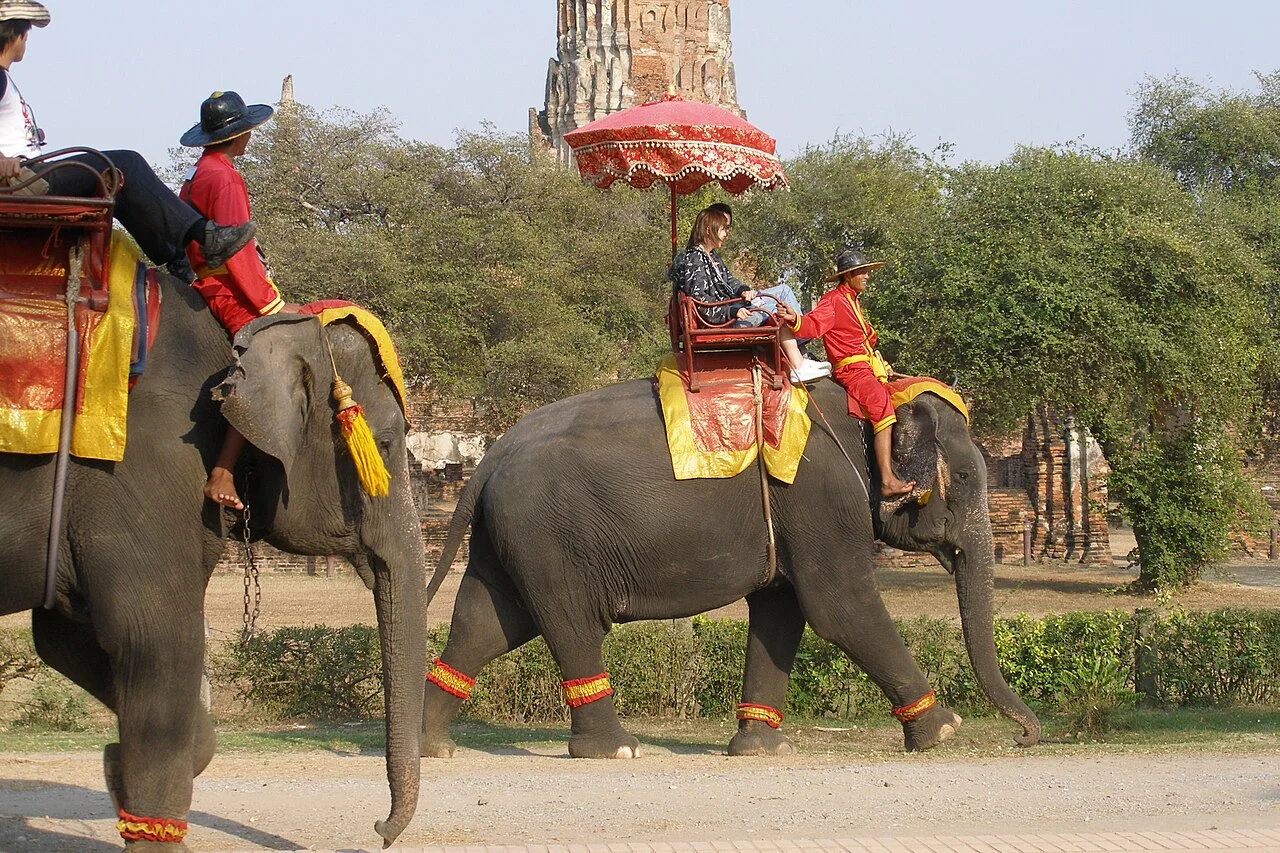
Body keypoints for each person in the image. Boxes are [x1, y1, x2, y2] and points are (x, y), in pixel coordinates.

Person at [0, 1, 254, 273]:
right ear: (16, 35)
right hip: (24, 182)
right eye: (26, 33)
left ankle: (178, 262)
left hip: (29, 177)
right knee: (126, 164)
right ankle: (206, 237)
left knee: (114, 183)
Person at [178, 89, 304, 510]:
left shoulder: (198, 174)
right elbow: (235, 249)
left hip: (200, 282)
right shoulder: (226, 178)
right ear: (240, 134)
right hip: (226, 288)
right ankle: (224, 470)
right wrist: (270, 305)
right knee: (267, 354)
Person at [775, 249, 916, 498]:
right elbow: (813, 324)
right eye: (862, 272)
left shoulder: (853, 300)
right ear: (848, 275)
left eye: (867, 272)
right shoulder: (834, 300)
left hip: (866, 366)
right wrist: (794, 319)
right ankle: (886, 479)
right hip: (851, 370)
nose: (867, 277)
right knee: (881, 403)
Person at [669, 204, 830, 384]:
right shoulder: (695, 259)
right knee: (778, 308)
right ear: (709, 230)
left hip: (732, 308)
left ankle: (799, 341)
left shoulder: (711, 256)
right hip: (722, 322)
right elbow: (701, 303)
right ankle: (799, 357)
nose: (726, 234)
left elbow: (730, 281)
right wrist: (732, 311)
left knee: (783, 290)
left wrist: (743, 290)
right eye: (723, 229)